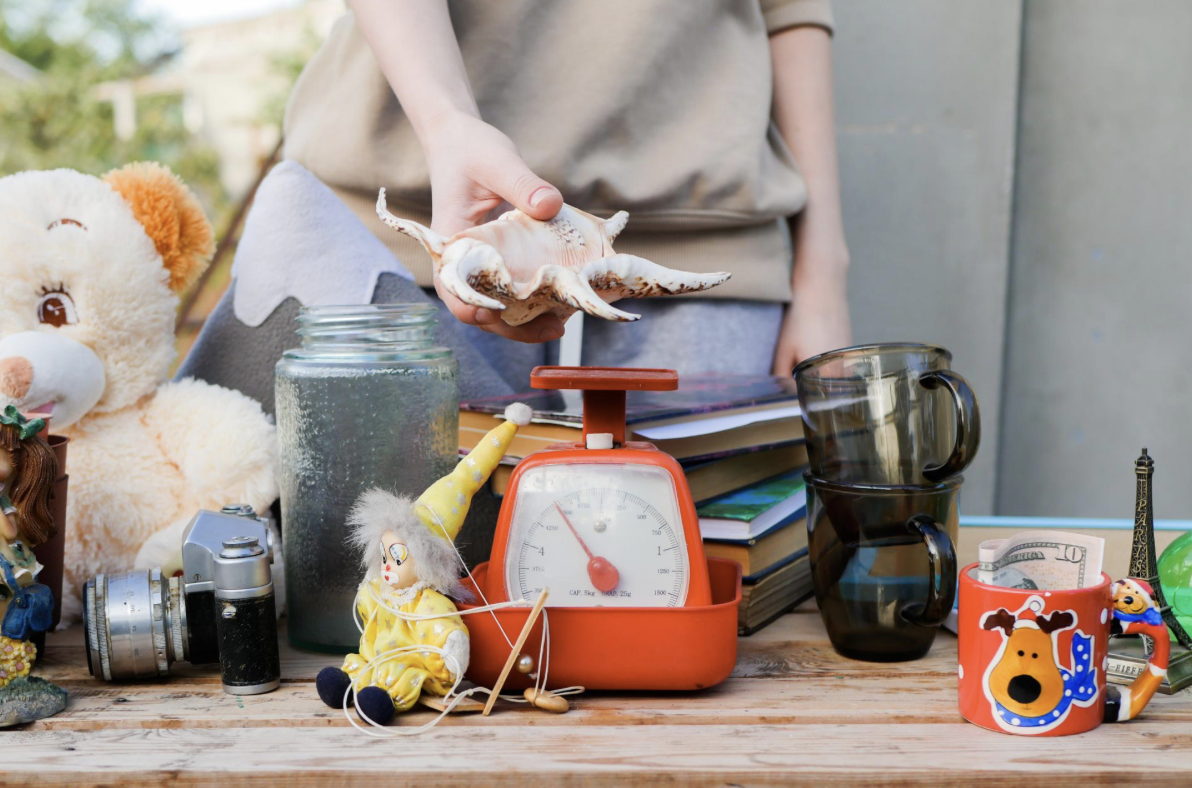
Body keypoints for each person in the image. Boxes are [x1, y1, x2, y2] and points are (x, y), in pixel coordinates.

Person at [180, 0, 852, 407]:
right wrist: (445, 125)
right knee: (392, 600)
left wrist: (824, 274)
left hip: (704, 250)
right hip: (399, 241)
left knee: (703, 602)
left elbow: (791, 11)